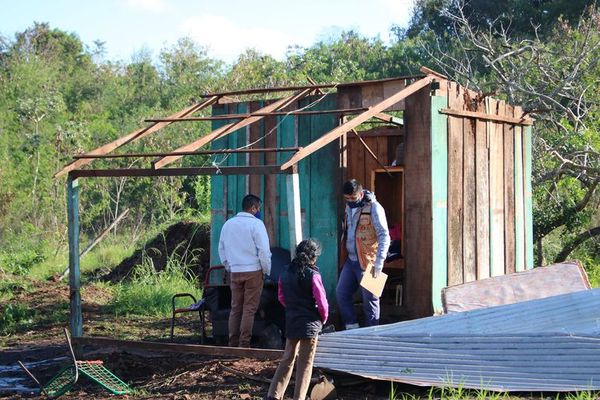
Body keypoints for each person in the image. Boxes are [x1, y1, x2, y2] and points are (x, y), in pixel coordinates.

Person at [266, 239, 329, 400]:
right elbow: (322, 303)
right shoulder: (314, 275)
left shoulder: (285, 272)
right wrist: (323, 319)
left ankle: (273, 395)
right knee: (305, 364)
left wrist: (293, 308)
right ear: (313, 257)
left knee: (287, 358)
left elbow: (282, 297)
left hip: (292, 321)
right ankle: (299, 397)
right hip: (310, 324)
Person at [218, 194, 271, 348]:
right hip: (254, 271)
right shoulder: (257, 225)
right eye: (258, 208)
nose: (259, 211)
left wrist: (229, 266)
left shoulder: (228, 224)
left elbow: (221, 249)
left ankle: (232, 343)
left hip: (235, 271)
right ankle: (244, 344)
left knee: (235, 309)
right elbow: (264, 252)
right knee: (249, 309)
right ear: (253, 208)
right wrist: (265, 271)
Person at [336, 179, 390, 329]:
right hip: (351, 260)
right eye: (347, 198)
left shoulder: (374, 208)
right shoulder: (348, 207)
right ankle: (352, 328)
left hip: (369, 261)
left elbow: (384, 235)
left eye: (353, 198)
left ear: (360, 194)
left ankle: (372, 333)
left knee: (371, 300)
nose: (350, 201)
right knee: (341, 294)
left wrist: (379, 263)